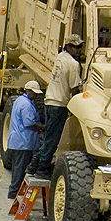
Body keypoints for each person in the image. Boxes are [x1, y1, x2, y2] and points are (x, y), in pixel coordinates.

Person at [35, 34, 84, 177]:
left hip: (49, 101)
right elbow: (74, 89)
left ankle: (33, 165)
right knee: (53, 139)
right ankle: (41, 169)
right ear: (68, 46)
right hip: (59, 105)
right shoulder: (74, 65)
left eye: (80, 47)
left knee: (49, 135)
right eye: (75, 47)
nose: (78, 50)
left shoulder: (60, 57)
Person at [5, 81, 46, 201]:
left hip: (19, 141)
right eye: (34, 93)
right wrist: (43, 128)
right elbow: (29, 124)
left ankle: (15, 191)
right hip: (23, 142)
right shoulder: (27, 105)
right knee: (19, 169)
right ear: (28, 91)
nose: (36, 96)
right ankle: (13, 192)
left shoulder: (20, 100)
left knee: (18, 167)